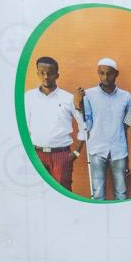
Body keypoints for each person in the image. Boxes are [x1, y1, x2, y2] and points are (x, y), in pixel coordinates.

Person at [22, 55, 85, 192]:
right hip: (36, 154)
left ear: (57, 75)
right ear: (37, 73)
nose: (46, 77)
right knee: (36, 193)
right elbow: (24, 127)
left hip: (61, 156)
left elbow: (83, 127)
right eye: (42, 73)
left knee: (62, 193)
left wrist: (76, 153)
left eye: (50, 73)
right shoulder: (28, 97)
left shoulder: (68, 99)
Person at [75, 57, 131, 200]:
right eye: (102, 73)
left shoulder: (126, 96)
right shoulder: (89, 95)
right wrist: (78, 106)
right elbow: (86, 124)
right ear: (98, 73)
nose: (105, 77)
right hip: (96, 150)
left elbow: (128, 124)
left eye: (109, 73)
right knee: (98, 192)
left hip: (119, 149)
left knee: (121, 192)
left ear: (116, 74)